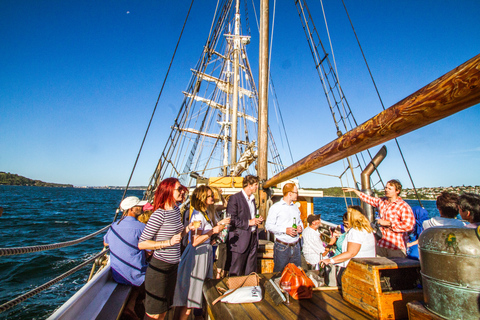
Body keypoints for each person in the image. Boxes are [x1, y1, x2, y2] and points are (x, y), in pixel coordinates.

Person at [173, 186, 229, 320]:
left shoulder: (206, 213)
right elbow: (194, 241)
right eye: (210, 196)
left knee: (197, 293)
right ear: (202, 198)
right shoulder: (197, 215)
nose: (212, 198)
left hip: (205, 254)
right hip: (197, 257)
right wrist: (213, 231)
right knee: (191, 295)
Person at [138, 178, 190, 320]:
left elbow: (176, 235)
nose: (182, 192)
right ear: (168, 191)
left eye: (182, 189)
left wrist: (187, 229)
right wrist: (167, 242)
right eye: (179, 189)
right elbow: (142, 243)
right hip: (160, 269)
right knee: (154, 314)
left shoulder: (175, 210)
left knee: (164, 311)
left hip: (173, 267)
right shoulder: (159, 214)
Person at [343, 179, 415, 258]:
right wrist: (355, 191)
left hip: (396, 246)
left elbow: (409, 226)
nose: (386, 190)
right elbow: (368, 199)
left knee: (395, 269)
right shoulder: (381, 201)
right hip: (381, 244)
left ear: (397, 191)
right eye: (386, 188)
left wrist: (388, 223)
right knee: (379, 268)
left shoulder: (403, 206)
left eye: (389, 189)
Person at [104, 196, 148, 319]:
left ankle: (131, 306)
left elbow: (105, 243)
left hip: (118, 274)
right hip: (135, 275)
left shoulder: (114, 226)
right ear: (131, 210)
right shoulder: (141, 227)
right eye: (139, 206)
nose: (142, 208)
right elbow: (149, 250)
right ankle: (136, 308)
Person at [321, 206, 376, 285]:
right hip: (366, 269)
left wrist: (330, 260)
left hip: (356, 270)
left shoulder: (356, 231)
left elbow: (351, 253)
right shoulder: (366, 229)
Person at [227, 175, 263, 276]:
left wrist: (257, 220)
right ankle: (234, 291)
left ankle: (249, 290)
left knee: (251, 270)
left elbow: (250, 216)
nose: (257, 187)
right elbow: (231, 220)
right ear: (249, 185)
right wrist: (249, 222)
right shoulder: (235, 198)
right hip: (239, 240)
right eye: (255, 185)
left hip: (252, 238)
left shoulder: (252, 199)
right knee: (236, 271)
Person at [265, 183, 304, 272]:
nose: (297, 195)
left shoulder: (295, 208)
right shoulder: (276, 207)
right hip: (282, 247)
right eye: (296, 192)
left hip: (296, 246)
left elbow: (300, 222)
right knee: (280, 274)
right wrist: (285, 230)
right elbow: (268, 226)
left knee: (297, 273)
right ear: (290, 193)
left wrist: (300, 228)